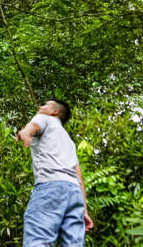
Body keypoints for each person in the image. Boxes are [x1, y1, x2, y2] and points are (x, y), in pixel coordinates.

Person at [16, 99, 94, 246]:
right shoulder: (69, 141)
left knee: (38, 240)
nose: (40, 107)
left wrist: (26, 132)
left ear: (54, 112)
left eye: (45, 105)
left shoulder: (46, 119)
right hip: (74, 193)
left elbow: (34, 126)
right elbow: (79, 175)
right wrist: (84, 210)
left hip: (51, 187)